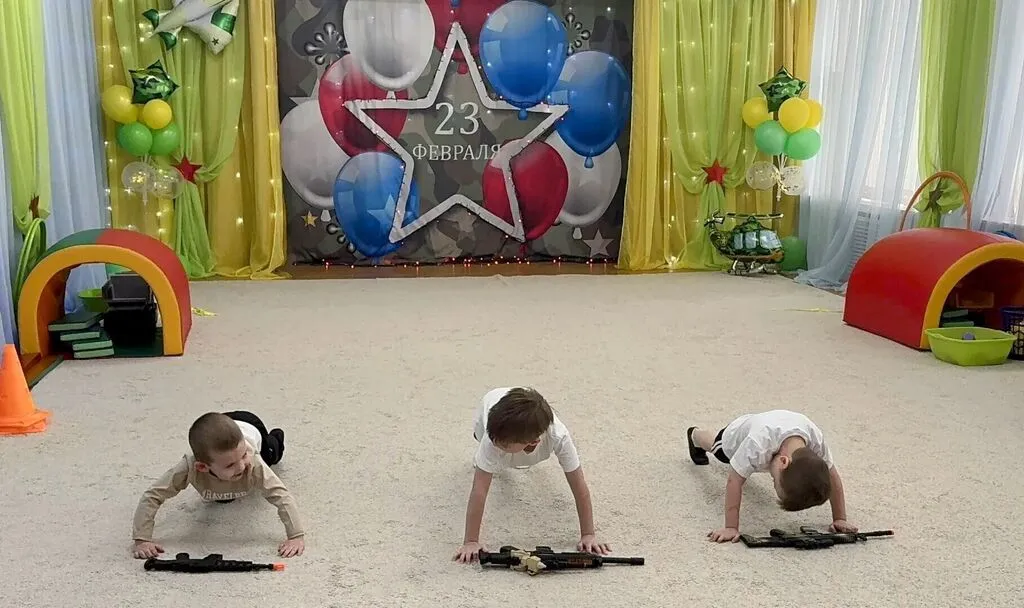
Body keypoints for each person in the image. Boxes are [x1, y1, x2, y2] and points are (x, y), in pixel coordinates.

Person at [453, 387, 610, 563]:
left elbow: (579, 486)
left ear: (534, 442)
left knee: (495, 453)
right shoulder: (492, 439)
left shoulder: (559, 437)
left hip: (516, 428)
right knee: (483, 445)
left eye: (503, 444)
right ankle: (482, 439)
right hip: (490, 408)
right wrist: (471, 541)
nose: (495, 443)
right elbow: (479, 490)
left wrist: (588, 534)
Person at [130, 411, 305, 559]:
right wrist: (142, 539)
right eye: (230, 465)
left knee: (273, 455)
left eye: (243, 456)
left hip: (251, 426)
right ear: (202, 467)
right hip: (221, 428)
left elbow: (281, 495)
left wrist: (295, 536)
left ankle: (276, 438)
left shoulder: (253, 462)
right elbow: (153, 495)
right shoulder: (188, 467)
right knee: (222, 496)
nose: (241, 466)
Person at [686, 409, 857, 543]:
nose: (773, 480)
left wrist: (840, 518)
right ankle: (695, 434)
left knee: (747, 462)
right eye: (775, 481)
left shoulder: (815, 440)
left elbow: (832, 475)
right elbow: (734, 480)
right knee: (717, 449)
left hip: (779, 423)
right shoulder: (757, 444)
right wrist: (731, 527)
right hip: (737, 434)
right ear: (783, 461)